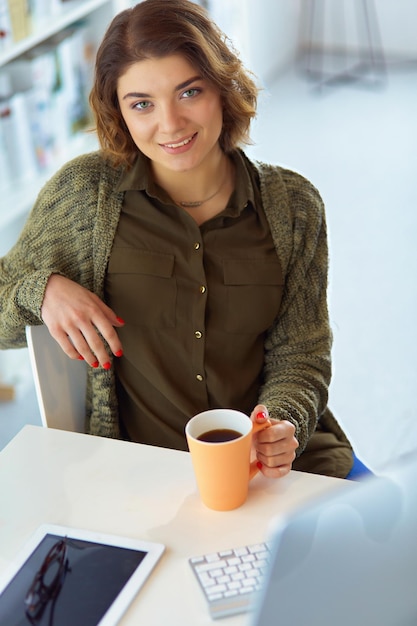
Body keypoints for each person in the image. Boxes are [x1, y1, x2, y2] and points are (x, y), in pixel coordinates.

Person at [0, 0, 353, 478]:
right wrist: (41, 291)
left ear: (223, 87)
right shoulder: (85, 196)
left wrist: (284, 423)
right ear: (118, 111)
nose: (169, 124)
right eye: (141, 103)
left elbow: (302, 351)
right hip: (149, 475)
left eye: (189, 92)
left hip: (277, 469)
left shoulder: (294, 205)